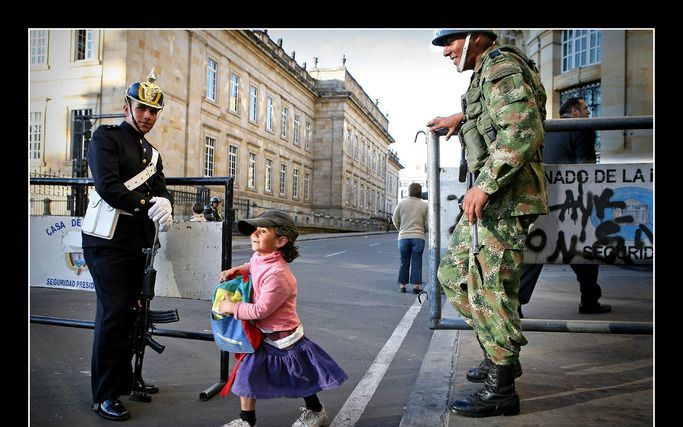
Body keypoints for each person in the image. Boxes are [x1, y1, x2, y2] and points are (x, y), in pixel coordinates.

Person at [427, 29, 548, 418]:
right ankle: (500, 356)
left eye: (451, 40)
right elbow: (500, 113)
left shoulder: (501, 65)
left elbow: (523, 128)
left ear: (477, 36)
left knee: (492, 287)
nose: (446, 50)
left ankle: (502, 388)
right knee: (452, 275)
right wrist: (461, 117)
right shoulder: (486, 71)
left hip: (505, 195)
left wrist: (486, 183)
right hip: (494, 197)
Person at [82, 69, 174, 421]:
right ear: (127, 108)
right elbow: (107, 185)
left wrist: (164, 201)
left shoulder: (153, 154)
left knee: (131, 315)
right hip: (105, 242)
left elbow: (161, 188)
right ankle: (104, 395)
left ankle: (126, 380)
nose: (148, 116)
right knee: (114, 313)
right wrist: (145, 204)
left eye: (153, 111)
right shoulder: (106, 138)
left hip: (136, 245)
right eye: (142, 109)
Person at [215, 210, 348, 427]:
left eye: (262, 231)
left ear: (280, 241)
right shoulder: (259, 257)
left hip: (283, 337)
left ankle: (316, 411)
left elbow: (261, 310)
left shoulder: (278, 274)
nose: (254, 235)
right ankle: (246, 420)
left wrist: (232, 307)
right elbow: (254, 267)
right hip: (261, 334)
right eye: (254, 231)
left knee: (300, 378)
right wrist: (239, 269)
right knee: (246, 376)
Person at [518, 97, 611, 316]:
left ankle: (516, 302)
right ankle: (589, 300)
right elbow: (586, 169)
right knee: (585, 250)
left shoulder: (546, 129)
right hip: (574, 200)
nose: (588, 113)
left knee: (537, 251)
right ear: (575, 111)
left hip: (544, 197)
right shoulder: (582, 129)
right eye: (586, 108)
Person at [392, 183, 428, 294]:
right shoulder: (424, 205)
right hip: (418, 237)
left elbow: (395, 219)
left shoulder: (402, 203)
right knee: (417, 262)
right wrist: (423, 230)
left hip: (403, 237)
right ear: (420, 191)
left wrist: (401, 229)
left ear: (409, 191)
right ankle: (416, 287)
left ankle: (403, 286)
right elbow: (428, 222)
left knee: (404, 261)